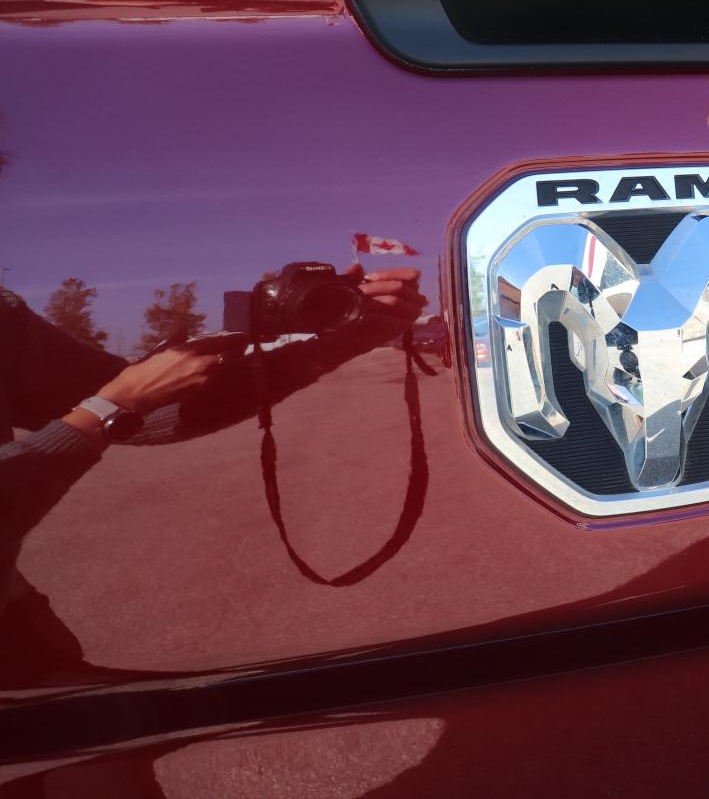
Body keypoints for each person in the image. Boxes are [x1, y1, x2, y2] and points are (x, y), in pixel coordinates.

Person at [0, 266, 426, 686]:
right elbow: (113, 403)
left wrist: (345, 340)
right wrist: (111, 407)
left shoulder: (6, 316)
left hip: (17, 632)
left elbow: (153, 410)